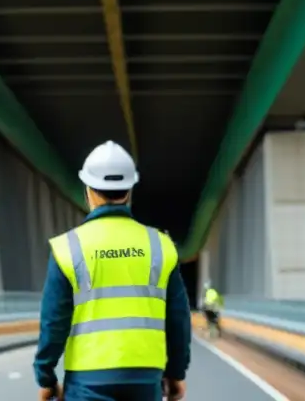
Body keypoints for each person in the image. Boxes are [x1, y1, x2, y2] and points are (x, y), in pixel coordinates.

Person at [33, 140, 192, 401]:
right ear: (129, 190)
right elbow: (178, 320)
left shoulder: (67, 248)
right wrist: (176, 375)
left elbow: (53, 322)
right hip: (145, 380)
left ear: (89, 190)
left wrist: (46, 378)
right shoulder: (160, 246)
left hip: (87, 381)